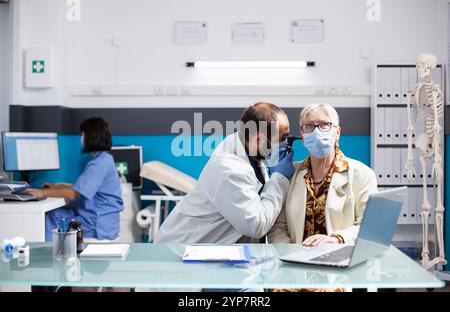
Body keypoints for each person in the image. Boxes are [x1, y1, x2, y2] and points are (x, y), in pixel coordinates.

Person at [155, 102, 295, 244]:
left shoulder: (250, 149)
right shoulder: (230, 169)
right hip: (182, 248)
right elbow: (256, 225)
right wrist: (279, 179)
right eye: (282, 138)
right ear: (258, 139)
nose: (286, 144)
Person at [269, 103, 378, 246]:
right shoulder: (290, 174)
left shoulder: (362, 174)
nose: (316, 132)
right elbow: (278, 227)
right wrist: (291, 255)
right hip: (296, 262)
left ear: (337, 133)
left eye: (324, 125)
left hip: (341, 260)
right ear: (302, 136)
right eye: (309, 126)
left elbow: (370, 227)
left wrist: (337, 239)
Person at [25, 117, 124, 241]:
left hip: (95, 225)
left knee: (51, 217)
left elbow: (73, 194)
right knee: (59, 213)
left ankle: (46, 255)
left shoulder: (98, 164)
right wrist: (58, 187)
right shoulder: (105, 159)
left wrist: (42, 192)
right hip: (105, 222)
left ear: (90, 136)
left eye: (83, 134)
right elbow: (83, 188)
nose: (81, 139)